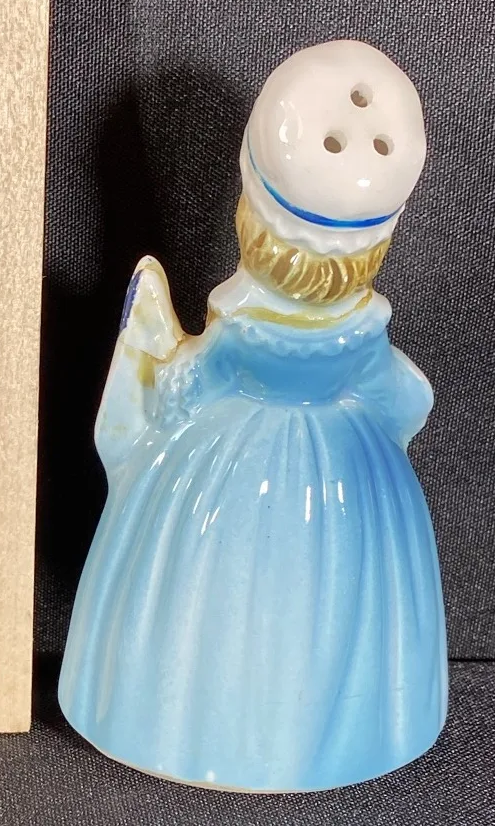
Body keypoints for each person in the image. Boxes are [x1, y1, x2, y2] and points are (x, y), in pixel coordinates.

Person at [59, 40, 448, 792]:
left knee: (201, 594)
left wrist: (156, 363)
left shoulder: (240, 328)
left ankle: (187, 724)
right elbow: (405, 395)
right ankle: (328, 734)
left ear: (249, 214)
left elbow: (178, 390)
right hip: (352, 466)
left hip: (219, 462)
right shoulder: (362, 328)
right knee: (343, 598)